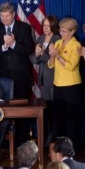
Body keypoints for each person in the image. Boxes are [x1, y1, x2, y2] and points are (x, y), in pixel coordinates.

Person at [0, 2, 34, 145]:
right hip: (1, 76)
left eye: (7, 16)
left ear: (13, 14)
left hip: (20, 76)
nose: (4, 19)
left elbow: (28, 50)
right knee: (2, 110)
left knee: (21, 109)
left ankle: (22, 143)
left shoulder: (24, 28)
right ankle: (2, 143)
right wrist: (3, 47)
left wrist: (14, 43)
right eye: (2, 16)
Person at [48, 18, 82, 150]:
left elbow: (71, 66)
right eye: (60, 30)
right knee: (58, 118)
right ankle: (60, 147)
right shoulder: (57, 43)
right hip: (58, 85)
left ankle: (73, 147)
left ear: (72, 32)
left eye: (65, 31)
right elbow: (50, 65)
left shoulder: (76, 45)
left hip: (71, 86)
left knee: (71, 119)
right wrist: (52, 56)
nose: (61, 33)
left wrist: (57, 56)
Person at [29, 15, 60, 146]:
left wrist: (42, 54)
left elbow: (56, 60)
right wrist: (36, 54)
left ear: (53, 26)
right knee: (46, 110)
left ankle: (55, 139)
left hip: (54, 78)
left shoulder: (58, 39)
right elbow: (33, 59)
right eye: (44, 25)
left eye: (48, 26)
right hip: (43, 79)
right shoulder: (40, 38)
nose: (45, 28)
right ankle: (46, 140)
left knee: (55, 111)